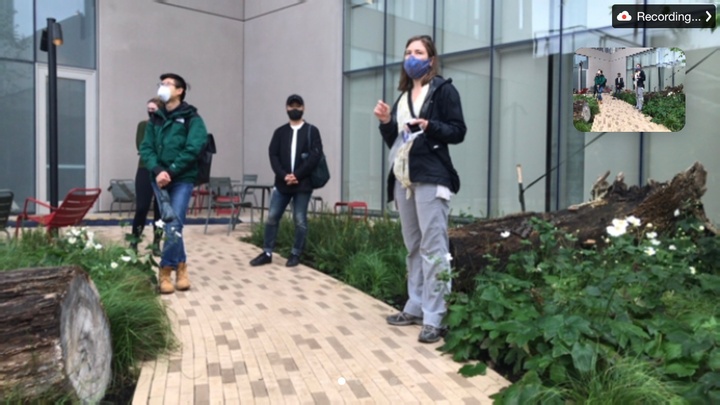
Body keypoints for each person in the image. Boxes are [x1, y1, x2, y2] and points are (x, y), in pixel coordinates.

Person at [373, 35, 466, 344]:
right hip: (403, 180)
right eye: (407, 52)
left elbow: (458, 131)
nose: (411, 56)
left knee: (434, 248)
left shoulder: (442, 91)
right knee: (414, 246)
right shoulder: (402, 98)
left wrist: (430, 125)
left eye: (418, 52)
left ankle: (435, 317)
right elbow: (397, 143)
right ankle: (414, 306)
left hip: (431, 177)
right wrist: (387, 122)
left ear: (431, 59)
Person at [140, 73, 208, 294]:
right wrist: (158, 171)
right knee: (172, 225)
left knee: (173, 224)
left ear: (180, 91)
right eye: (162, 83)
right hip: (159, 180)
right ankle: (181, 267)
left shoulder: (192, 118)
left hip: (181, 179)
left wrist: (171, 171)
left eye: (168, 84)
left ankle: (165, 270)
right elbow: (146, 148)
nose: (163, 87)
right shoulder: (155, 118)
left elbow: (194, 148)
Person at [249, 94, 323, 268]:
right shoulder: (280, 132)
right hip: (282, 185)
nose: (295, 109)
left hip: (303, 184)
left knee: (300, 220)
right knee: (272, 217)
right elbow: (273, 155)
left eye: (298, 106)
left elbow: (315, 155)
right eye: (291, 106)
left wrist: (297, 175)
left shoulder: (312, 130)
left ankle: (295, 254)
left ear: (303, 108)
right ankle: (267, 252)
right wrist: (284, 175)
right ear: (286, 108)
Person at [130, 97, 164, 256]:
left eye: (153, 109)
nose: (150, 112)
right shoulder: (143, 125)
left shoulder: (167, 127)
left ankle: (157, 243)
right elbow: (142, 146)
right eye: (148, 109)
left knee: (160, 209)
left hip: (163, 171)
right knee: (142, 207)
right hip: (145, 168)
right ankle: (134, 241)